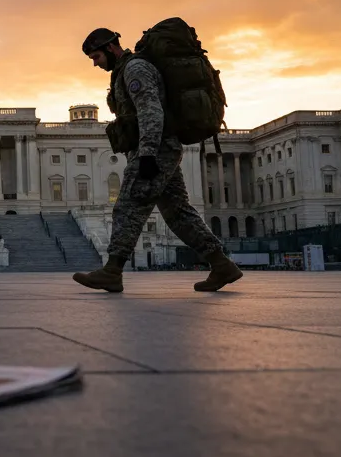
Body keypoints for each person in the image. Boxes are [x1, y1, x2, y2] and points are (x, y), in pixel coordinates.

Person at [72, 27, 243, 293]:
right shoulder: (126, 71)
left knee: (128, 205)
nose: (95, 63)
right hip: (159, 148)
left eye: (96, 56)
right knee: (178, 213)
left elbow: (150, 110)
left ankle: (112, 270)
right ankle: (221, 264)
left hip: (155, 149)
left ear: (109, 48)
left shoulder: (135, 69)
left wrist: (148, 154)